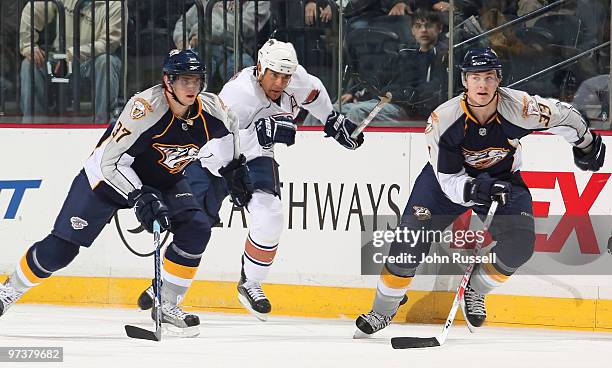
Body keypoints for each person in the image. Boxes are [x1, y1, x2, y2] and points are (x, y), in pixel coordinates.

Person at [354, 47, 606, 337]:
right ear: (465, 81)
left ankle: (476, 288)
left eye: (489, 77)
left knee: (519, 247)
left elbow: (565, 116)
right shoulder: (444, 120)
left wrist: (585, 143)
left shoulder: (521, 108)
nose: (482, 85)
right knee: (408, 245)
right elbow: (448, 181)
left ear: (499, 79)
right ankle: (383, 310)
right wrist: (475, 188)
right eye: (475, 77)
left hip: (503, 179)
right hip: (444, 184)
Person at [0, 49, 253, 337]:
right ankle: (10, 289)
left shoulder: (212, 111)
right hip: (107, 177)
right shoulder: (144, 109)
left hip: (163, 178)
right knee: (61, 250)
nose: (192, 87)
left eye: (196, 80)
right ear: (167, 81)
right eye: (184, 80)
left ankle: (167, 305)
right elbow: (111, 161)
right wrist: (139, 196)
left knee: (196, 228)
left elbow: (230, 130)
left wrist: (234, 167)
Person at [137, 39, 364, 321]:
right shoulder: (238, 94)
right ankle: (164, 287)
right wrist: (241, 160)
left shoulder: (296, 78)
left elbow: (314, 94)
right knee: (193, 227)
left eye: (286, 76)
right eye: (274, 75)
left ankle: (251, 281)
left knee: (270, 217)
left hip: (256, 155)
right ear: (259, 68)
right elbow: (220, 139)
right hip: (210, 157)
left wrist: (331, 120)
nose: (280, 82)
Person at [332, 9, 447, 125]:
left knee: (358, 112)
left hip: (406, 109)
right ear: (412, 30)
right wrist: (355, 92)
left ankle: (350, 143)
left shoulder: (444, 56)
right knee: (334, 111)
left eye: (428, 26)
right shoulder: (405, 53)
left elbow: (430, 91)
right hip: (385, 102)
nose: (423, 30)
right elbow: (380, 78)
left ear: (439, 28)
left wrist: (396, 94)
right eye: (418, 26)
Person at [19, 0, 124, 123]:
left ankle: (103, 123)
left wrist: (74, 53)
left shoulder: (115, 4)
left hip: (92, 60)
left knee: (106, 62)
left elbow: (110, 42)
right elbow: (33, 9)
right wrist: (28, 45)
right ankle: (33, 124)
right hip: (60, 57)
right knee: (30, 64)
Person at [173, 0, 270, 82]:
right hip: (203, 47)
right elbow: (183, 23)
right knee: (190, 66)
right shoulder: (206, 2)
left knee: (245, 73)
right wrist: (183, 42)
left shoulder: (259, 3)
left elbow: (245, 26)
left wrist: (204, 31)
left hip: (236, 50)